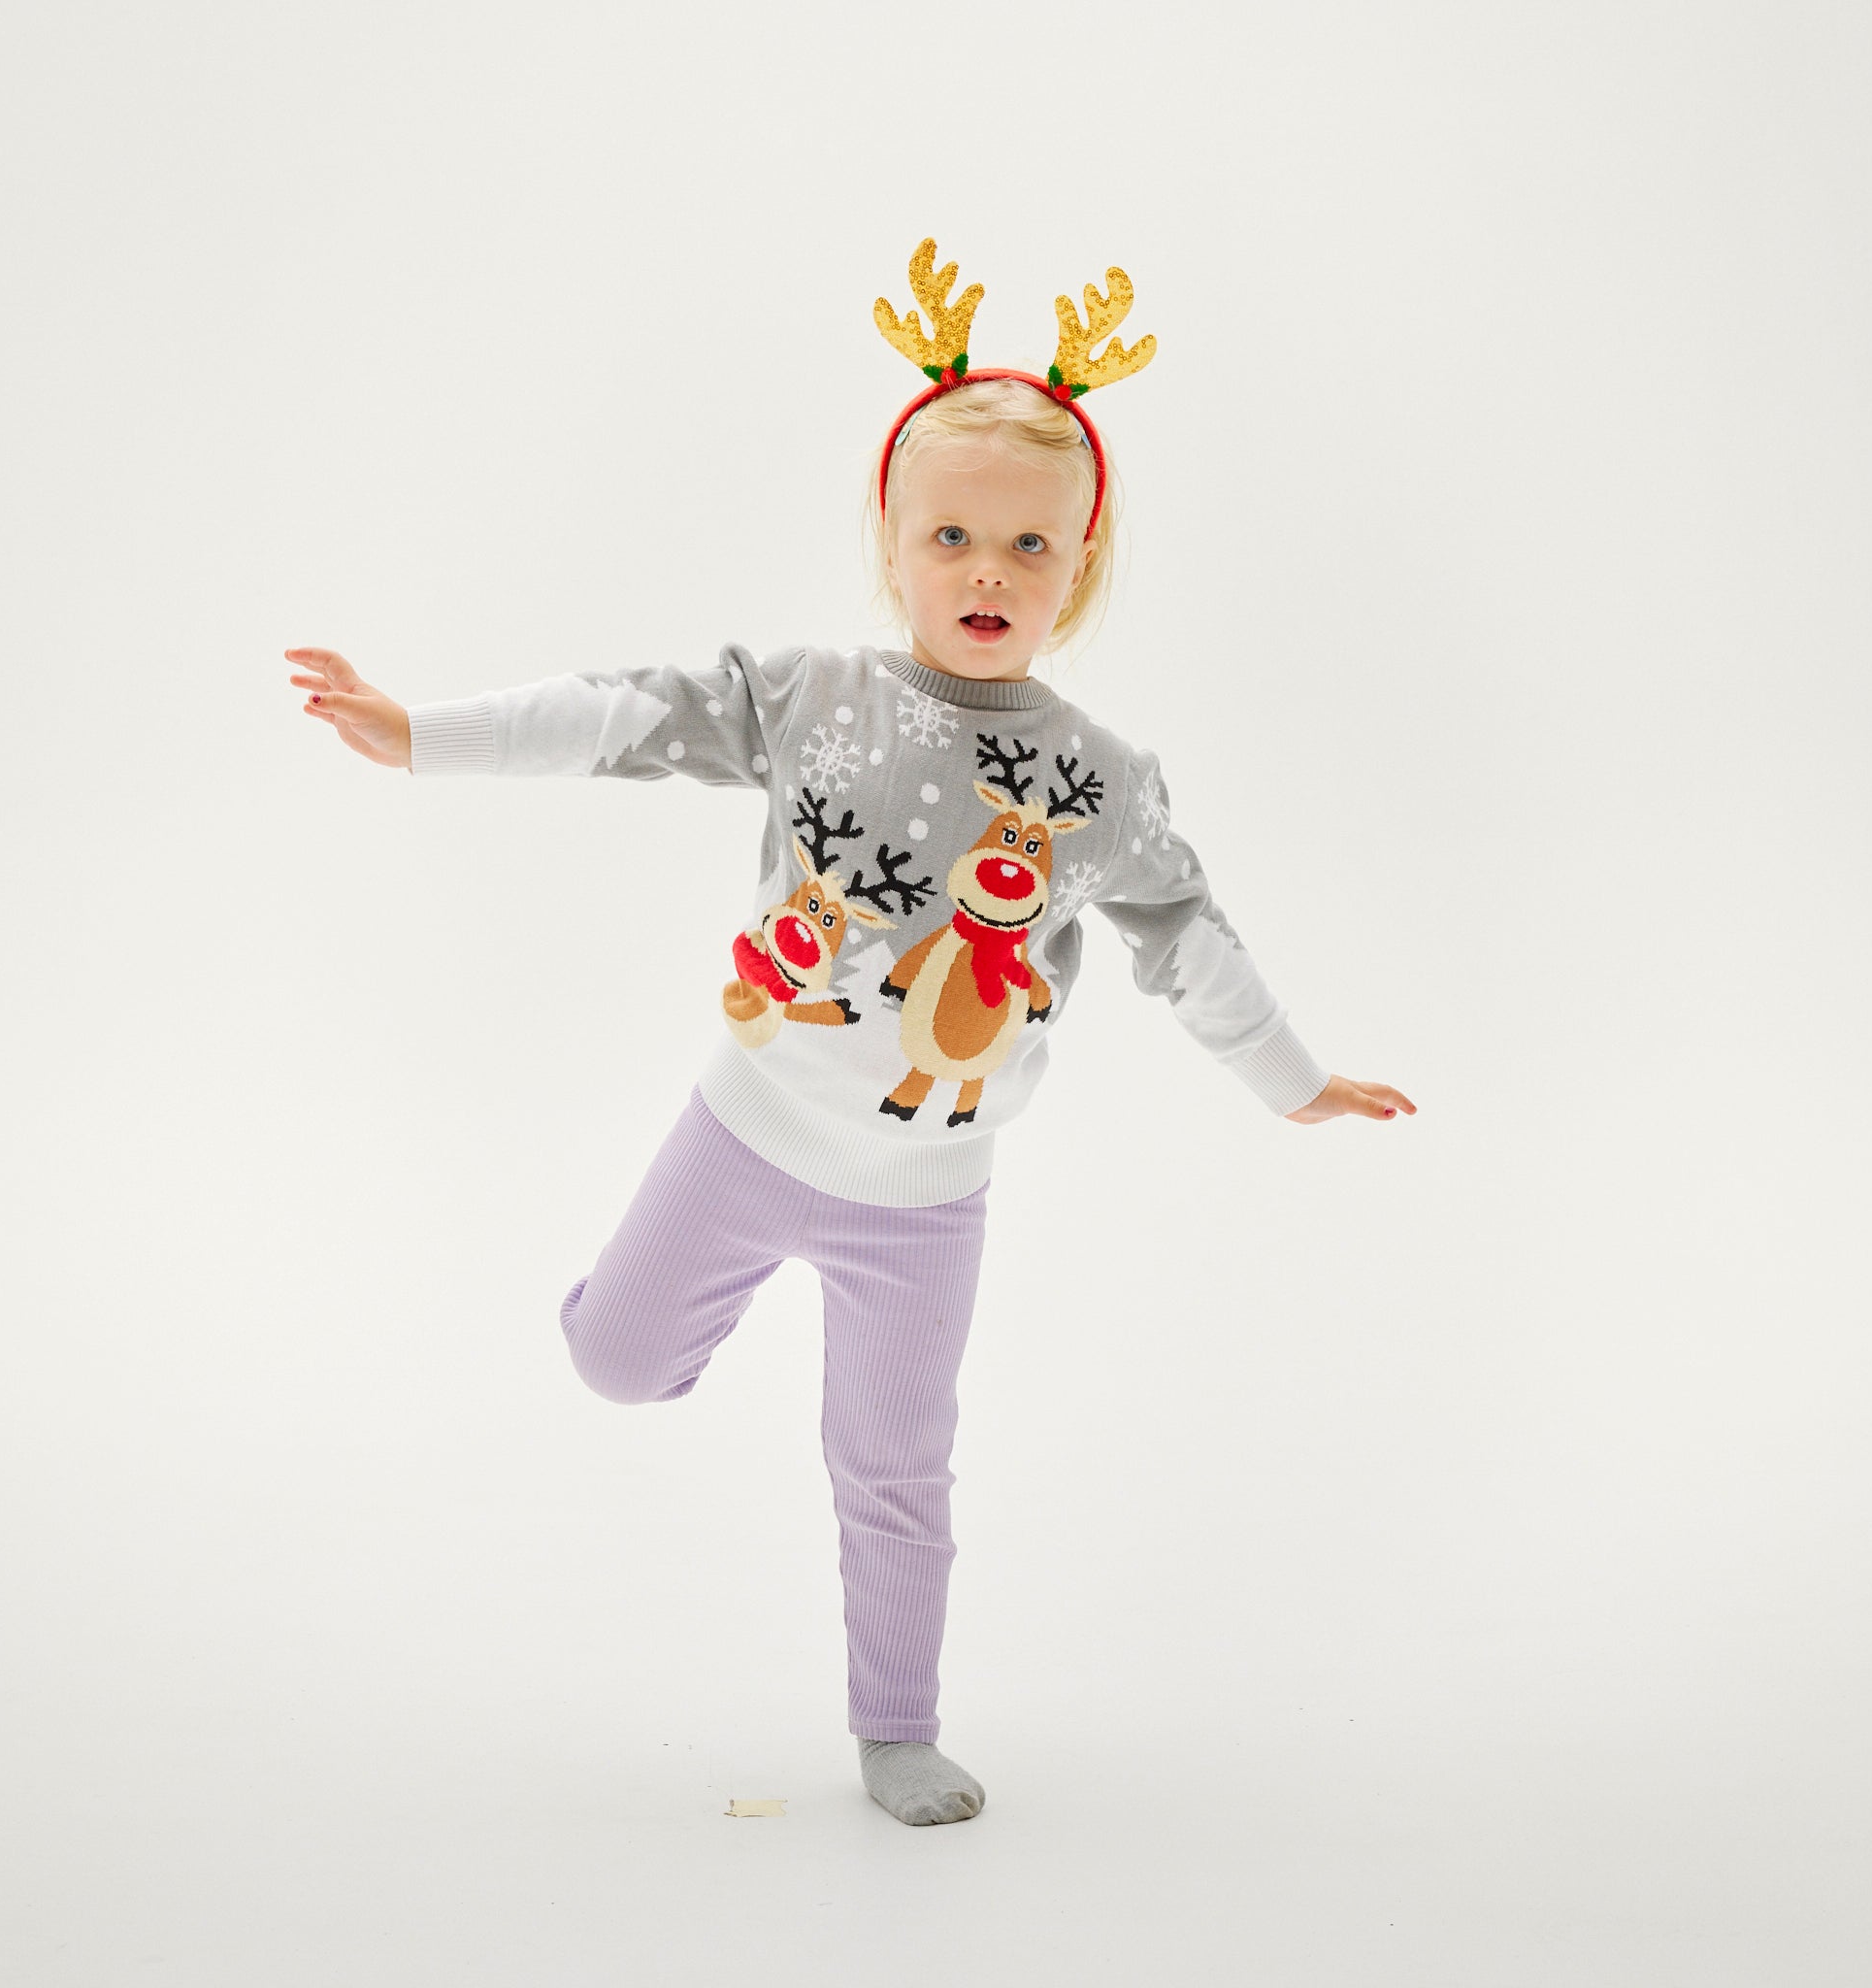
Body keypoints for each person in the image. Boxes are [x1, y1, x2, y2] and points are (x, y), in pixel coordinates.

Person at [284, 240, 1416, 1827]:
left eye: (1029, 545)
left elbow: (1187, 936)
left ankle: (896, 1727)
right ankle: (627, 1312)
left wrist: (1293, 1082)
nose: (987, 572)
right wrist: (423, 735)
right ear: (892, 543)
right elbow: (621, 712)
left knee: (894, 1467)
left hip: (926, 1204)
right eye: (952, 535)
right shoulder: (812, 696)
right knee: (616, 1365)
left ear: (1078, 568)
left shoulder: (1102, 783)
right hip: (745, 1136)